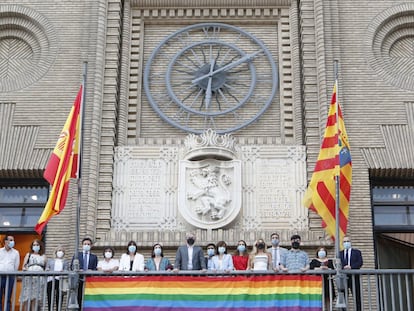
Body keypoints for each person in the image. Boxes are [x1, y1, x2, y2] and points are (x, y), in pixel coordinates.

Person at [20, 239, 47, 311]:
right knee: (27, 298)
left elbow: (46, 267)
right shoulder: (28, 255)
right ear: (32, 246)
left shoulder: (43, 256)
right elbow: (24, 266)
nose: (35, 246)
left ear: (40, 246)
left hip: (39, 279)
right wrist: (24, 269)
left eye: (37, 245)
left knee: (35, 298)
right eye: (34, 245)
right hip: (29, 278)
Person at [73, 237, 98, 309]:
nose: (86, 245)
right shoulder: (77, 255)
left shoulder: (94, 257)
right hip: (79, 280)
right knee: (78, 297)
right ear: (82, 245)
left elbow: (95, 268)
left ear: (91, 246)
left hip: (89, 281)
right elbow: (72, 266)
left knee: (88, 298)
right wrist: (78, 270)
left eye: (88, 244)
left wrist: (91, 271)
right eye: (85, 244)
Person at [340, 235, 363, 311]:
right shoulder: (340, 253)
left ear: (351, 242)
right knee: (343, 296)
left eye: (348, 241)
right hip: (343, 278)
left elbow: (360, 262)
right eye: (344, 241)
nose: (346, 243)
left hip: (354, 277)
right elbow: (338, 264)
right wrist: (344, 267)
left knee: (357, 296)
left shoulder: (357, 252)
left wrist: (351, 267)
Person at [46, 245, 69, 311]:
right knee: (50, 297)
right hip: (51, 280)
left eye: (62, 251)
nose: (60, 252)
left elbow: (67, 270)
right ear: (56, 252)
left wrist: (64, 271)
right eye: (59, 250)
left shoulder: (65, 261)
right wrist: (47, 270)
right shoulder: (50, 260)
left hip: (60, 280)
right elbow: (47, 268)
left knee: (59, 298)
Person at [0, 235, 20, 311]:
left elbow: (16, 266)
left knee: (8, 297)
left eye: (13, 240)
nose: (12, 242)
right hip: (0, 276)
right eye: (11, 240)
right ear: (5, 241)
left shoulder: (16, 252)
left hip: (10, 277)